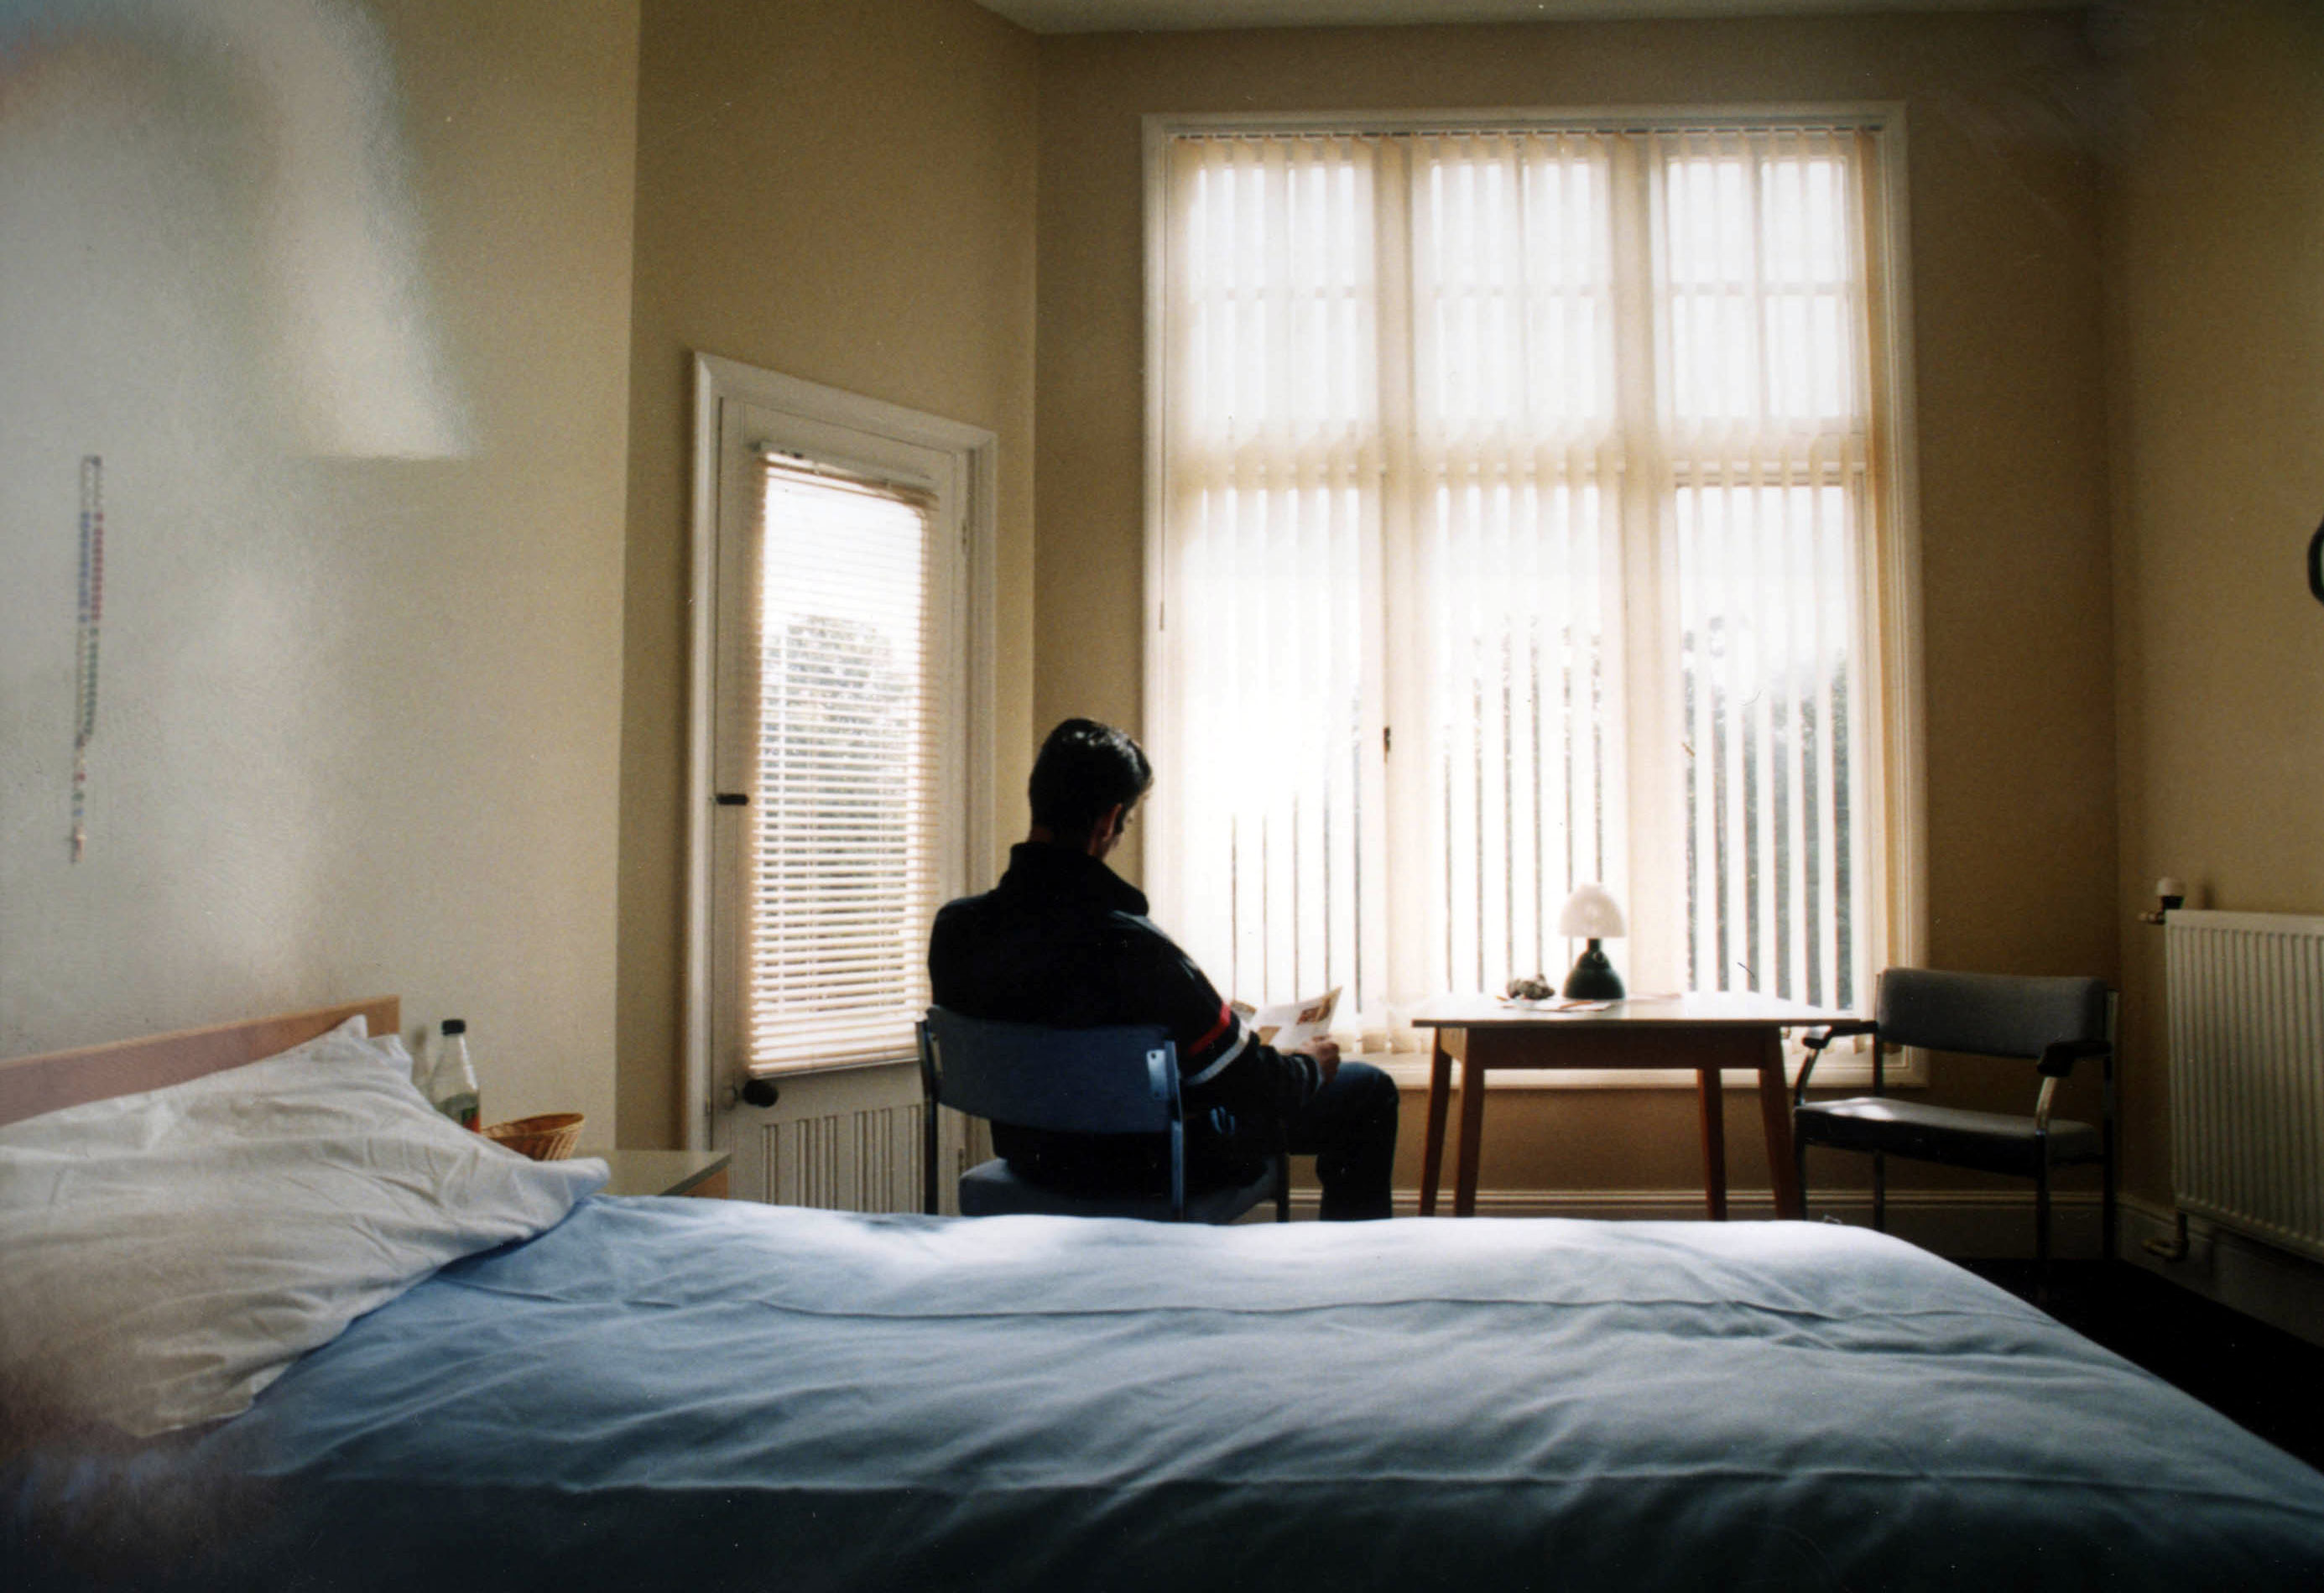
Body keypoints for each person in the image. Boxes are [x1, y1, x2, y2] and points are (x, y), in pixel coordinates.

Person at [928, 718, 1399, 1220]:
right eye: (1125, 822)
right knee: (1367, 1091)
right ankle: (1353, 1264)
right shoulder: (1135, 949)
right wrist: (1309, 1066)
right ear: (1109, 821)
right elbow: (1252, 1088)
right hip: (1152, 1167)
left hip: (1034, 1158)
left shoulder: (956, 930)